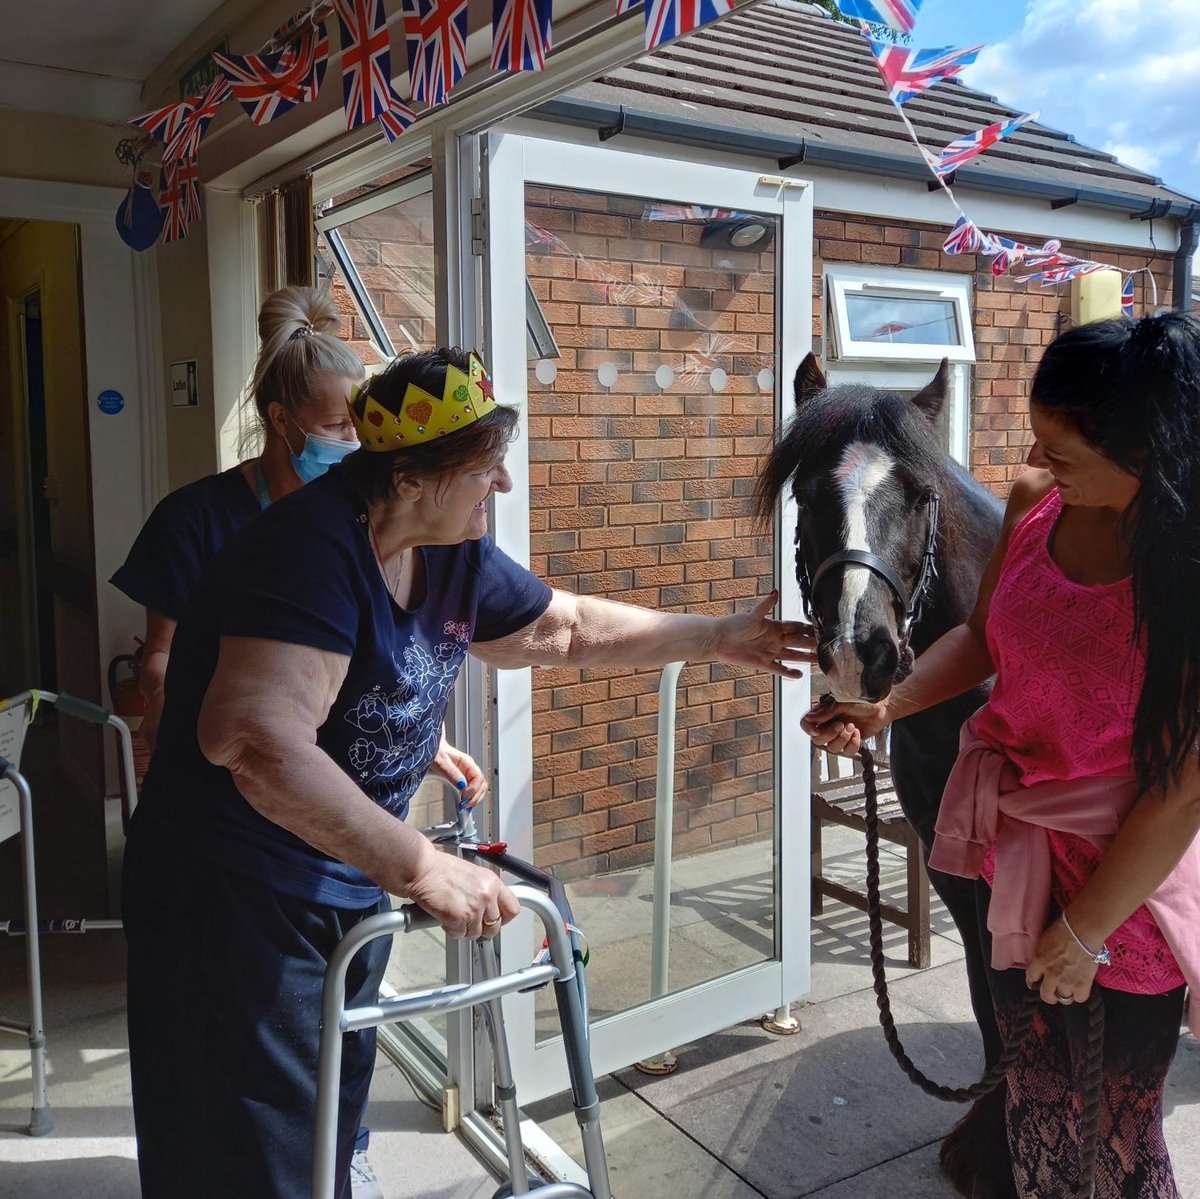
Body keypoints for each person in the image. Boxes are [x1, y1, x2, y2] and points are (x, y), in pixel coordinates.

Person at [122, 346, 815, 1199]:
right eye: (486, 467)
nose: (504, 484)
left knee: (320, 1126)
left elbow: (562, 629)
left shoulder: (447, 548)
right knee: (247, 1146)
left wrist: (714, 636)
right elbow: (254, 743)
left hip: (340, 880)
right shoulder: (307, 550)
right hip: (231, 896)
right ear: (410, 478)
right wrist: (421, 865)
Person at [804, 311, 1200, 1198]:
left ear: (1145, 456)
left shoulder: (1185, 567)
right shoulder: (1035, 504)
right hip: (1016, 853)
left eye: (1060, 449)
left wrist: (1085, 931)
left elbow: (1181, 791)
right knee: (1033, 1101)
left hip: (1126, 883)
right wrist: (885, 704)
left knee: (1114, 1134)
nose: (1033, 460)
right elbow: (985, 636)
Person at [111, 287, 479, 1199]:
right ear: (282, 422)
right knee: (233, 1101)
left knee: (330, 1067)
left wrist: (414, 734)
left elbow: (364, 664)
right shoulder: (202, 521)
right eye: (335, 427)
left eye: (361, 428)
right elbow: (168, 668)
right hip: (230, 850)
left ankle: (339, 1160)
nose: (352, 444)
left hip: (329, 855)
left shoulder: (364, 524)